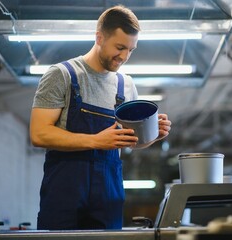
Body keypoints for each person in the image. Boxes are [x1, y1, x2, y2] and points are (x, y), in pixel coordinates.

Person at [29, 5, 171, 230]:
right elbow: (39, 133)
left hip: (108, 196)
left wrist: (154, 134)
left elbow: (131, 142)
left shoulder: (126, 85)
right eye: (120, 47)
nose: (124, 56)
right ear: (99, 37)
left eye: (131, 50)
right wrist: (96, 141)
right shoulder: (62, 75)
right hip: (64, 193)